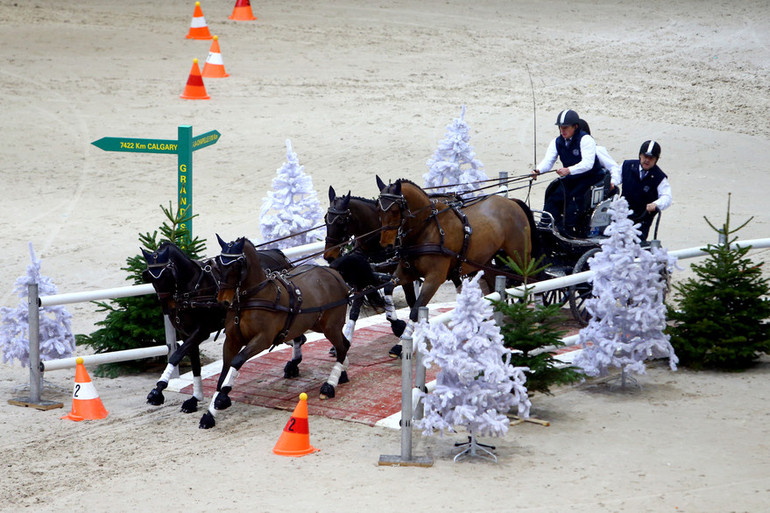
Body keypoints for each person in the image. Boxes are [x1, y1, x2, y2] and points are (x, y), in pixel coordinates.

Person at [532, 109, 604, 235]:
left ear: (575, 127)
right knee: (553, 194)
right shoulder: (556, 142)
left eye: (566, 127)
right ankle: (546, 224)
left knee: (574, 198)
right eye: (560, 127)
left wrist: (569, 170)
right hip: (571, 178)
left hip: (590, 178)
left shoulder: (586, 140)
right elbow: (549, 161)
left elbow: (587, 164)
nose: (562, 130)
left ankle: (570, 229)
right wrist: (538, 170)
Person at [618, 140, 672, 241]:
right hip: (622, 214)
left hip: (642, 219)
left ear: (656, 160)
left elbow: (667, 197)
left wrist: (656, 204)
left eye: (651, 158)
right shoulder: (627, 166)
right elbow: (615, 176)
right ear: (640, 155)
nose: (647, 160)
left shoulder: (659, 177)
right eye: (645, 156)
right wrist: (612, 183)